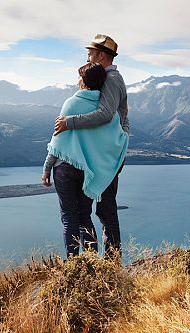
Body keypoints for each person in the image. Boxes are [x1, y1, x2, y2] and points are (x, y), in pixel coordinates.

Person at [53, 34, 129, 259]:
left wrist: (70, 122)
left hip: (109, 154)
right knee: (101, 207)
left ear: (101, 56)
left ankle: (112, 262)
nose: (87, 58)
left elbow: (106, 114)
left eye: (90, 55)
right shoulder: (106, 78)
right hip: (104, 152)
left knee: (105, 208)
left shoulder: (112, 79)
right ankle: (104, 261)